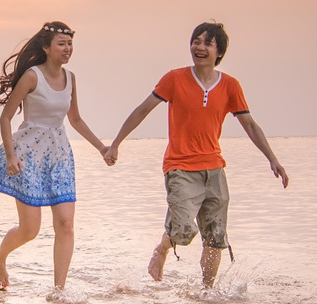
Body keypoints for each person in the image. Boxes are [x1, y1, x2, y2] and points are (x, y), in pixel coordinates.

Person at [104, 21, 288, 287]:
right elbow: (143, 110)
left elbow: (249, 124)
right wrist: (116, 144)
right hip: (180, 167)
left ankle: (207, 293)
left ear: (219, 52)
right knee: (182, 229)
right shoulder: (174, 79)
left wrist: (273, 159)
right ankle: (162, 249)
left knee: (215, 238)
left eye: (207, 43)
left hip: (214, 169)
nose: (199, 47)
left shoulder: (230, 86)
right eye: (196, 42)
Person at [0, 21, 110, 291]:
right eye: (61, 44)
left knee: (66, 224)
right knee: (30, 230)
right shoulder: (32, 77)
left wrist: (101, 148)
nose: (67, 48)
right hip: (28, 156)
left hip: (59, 156)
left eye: (70, 44)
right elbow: (6, 118)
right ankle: (0, 256)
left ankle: (59, 291)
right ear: (47, 47)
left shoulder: (71, 78)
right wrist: (10, 156)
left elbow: (75, 119)